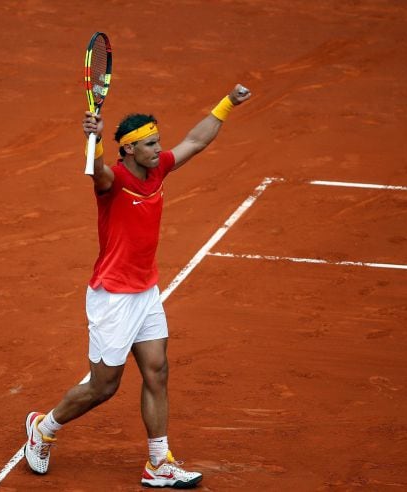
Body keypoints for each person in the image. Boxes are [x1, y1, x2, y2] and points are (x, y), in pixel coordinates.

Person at [24, 83, 251, 488]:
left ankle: (158, 462)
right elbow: (96, 171)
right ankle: (45, 427)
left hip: (145, 293)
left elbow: (196, 141)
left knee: (157, 371)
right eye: (148, 144)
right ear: (128, 150)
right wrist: (92, 137)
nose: (157, 149)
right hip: (112, 298)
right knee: (103, 386)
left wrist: (226, 104)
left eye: (157, 141)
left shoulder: (158, 167)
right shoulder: (113, 181)